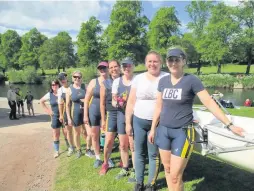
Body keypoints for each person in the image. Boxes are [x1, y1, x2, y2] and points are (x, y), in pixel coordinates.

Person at [148, 47, 244, 191]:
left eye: (177, 59)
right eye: (170, 60)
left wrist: (229, 125)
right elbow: (158, 106)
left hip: (183, 132)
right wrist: (152, 129)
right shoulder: (163, 81)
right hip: (163, 131)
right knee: (167, 169)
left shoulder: (191, 80)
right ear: (166, 62)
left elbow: (209, 102)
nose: (173, 63)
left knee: (175, 175)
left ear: (183, 61)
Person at [125, 51, 168, 191]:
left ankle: (151, 184)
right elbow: (131, 102)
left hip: (158, 122)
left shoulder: (166, 77)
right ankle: (139, 182)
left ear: (160, 63)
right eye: (149, 61)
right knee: (138, 152)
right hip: (139, 120)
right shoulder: (138, 78)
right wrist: (128, 122)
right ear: (145, 63)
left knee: (153, 154)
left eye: (155, 61)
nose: (152, 64)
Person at [111, 57, 135, 182]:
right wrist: (118, 103)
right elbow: (113, 99)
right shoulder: (117, 82)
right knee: (122, 144)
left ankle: (135, 171)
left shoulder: (137, 80)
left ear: (133, 66)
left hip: (134, 116)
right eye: (124, 66)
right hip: (121, 115)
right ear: (122, 68)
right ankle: (125, 168)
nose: (126, 68)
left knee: (133, 144)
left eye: (129, 65)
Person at [84, 61, 108, 167]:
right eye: (100, 68)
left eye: (104, 68)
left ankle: (108, 157)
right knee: (94, 135)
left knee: (108, 136)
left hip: (107, 111)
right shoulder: (94, 82)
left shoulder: (112, 81)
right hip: (94, 111)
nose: (102, 70)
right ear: (98, 70)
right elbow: (86, 100)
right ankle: (98, 157)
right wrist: (85, 115)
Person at [99, 60, 121, 176]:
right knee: (108, 141)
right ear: (109, 70)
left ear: (119, 67)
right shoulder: (105, 83)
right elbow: (102, 103)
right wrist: (103, 119)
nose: (113, 69)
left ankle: (124, 161)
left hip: (123, 113)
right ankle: (105, 163)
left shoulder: (125, 80)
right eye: (111, 67)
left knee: (124, 141)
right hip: (111, 114)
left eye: (115, 66)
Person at [66, 71, 86, 158]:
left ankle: (89, 148)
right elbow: (67, 105)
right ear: (72, 78)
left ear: (81, 78)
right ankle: (78, 150)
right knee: (77, 133)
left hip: (85, 113)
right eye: (75, 77)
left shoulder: (85, 87)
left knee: (86, 131)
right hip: (75, 114)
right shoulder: (69, 89)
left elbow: (90, 98)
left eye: (79, 77)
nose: (77, 78)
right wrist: (69, 118)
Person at [40, 79, 62, 158]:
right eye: (53, 85)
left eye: (56, 84)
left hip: (63, 115)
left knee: (66, 132)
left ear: (58, 85)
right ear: (51, 86)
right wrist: (48, 111)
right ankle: (56, 151)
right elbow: (41, 101)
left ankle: (70, 147)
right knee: (56, 134)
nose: (54, 86)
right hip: (55, 116)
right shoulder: (49, 94)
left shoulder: (62, 93)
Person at [57, 72, 75, 156]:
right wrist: (61, 115)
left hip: (75, 110)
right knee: (69, 131)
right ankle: (71, 147)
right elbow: (60, 104)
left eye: (64, 78)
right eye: (61, 79)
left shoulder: (73, 86)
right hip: (66, 112)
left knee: (82, 130)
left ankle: (87, 147)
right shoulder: (60, 90)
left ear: (67, 78)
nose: (63, 80)